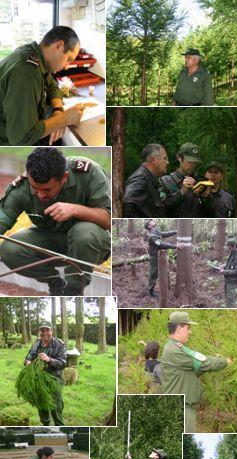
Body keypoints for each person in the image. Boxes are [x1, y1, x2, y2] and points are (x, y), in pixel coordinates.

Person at [0, 147, 111, 295]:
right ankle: (55, 283)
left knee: (83, 232)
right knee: (10, 249)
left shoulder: (88, 173)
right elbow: (2, 219)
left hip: (91, 245)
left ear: (64, 178)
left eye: (47, 190)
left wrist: (75, 210)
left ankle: (73, 290)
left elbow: (110, 220)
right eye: (35, 188)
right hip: (52, 241)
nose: (40, 195)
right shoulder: (22, 187)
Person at [0, 26, 88, 145]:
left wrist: (58, 110)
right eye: (68, 59)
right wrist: (65, 118)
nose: (67, 66)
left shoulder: (34, 55)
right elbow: (22, 138)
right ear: (58, 46)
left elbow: (52, 86)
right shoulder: (27, 72)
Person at [160, 311, 231, 432]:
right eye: (188, 328)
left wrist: (214, 358)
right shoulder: (174, 351)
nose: (190, 332)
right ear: (179, 328)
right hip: (183, 410)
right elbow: (203, 363)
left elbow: (192, 369)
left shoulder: (175, 348)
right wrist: (225, 361)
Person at [24, 323, 67, 425]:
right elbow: (29, 356)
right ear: (39, 332)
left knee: (55, 406)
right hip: (38, 379)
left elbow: (62, 363)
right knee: (42, 404)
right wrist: (28, 361)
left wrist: (49, 359)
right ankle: (46, 424)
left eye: (47, 330)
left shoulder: (59, 345)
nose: (45, 333)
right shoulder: (36, 344)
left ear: (51, 331)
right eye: (42, 331)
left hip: (54, 379)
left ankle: (59, 426)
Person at [159, 143, 207, 217]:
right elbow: (161, 208)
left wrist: (204, 197)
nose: (192, 165)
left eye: (195, 162)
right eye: (189, 162)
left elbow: (210, 212)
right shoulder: (165, 181)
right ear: (179, 158)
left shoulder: (200, 181)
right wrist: (181, 192)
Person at [122, 144, 170, 218]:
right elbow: (126, 203)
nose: (167, 162)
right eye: (165, 158)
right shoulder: (140, 180)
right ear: (153, 160)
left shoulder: (149, 178)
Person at [145, 219, 177, 297]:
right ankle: (150, 291)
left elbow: (164, 234)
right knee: (154, 273)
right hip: (154, 256)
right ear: (149, 226)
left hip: (158, 255)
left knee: (156, 272)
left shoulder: (156, 232)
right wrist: (175, 246)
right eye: (151, 221)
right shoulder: (152, 235)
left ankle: (151, 289)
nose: (153, 220)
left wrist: (175, 231)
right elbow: (160, 244)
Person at [220, 237, 237, 307]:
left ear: (234, 246)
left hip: (233, 282)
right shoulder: (233, 253)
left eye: (229, 247)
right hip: (228, 281)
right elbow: (231, 265)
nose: (228, 249)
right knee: (228, 300)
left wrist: (224, 271)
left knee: (230, 301)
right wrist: (224, 266)